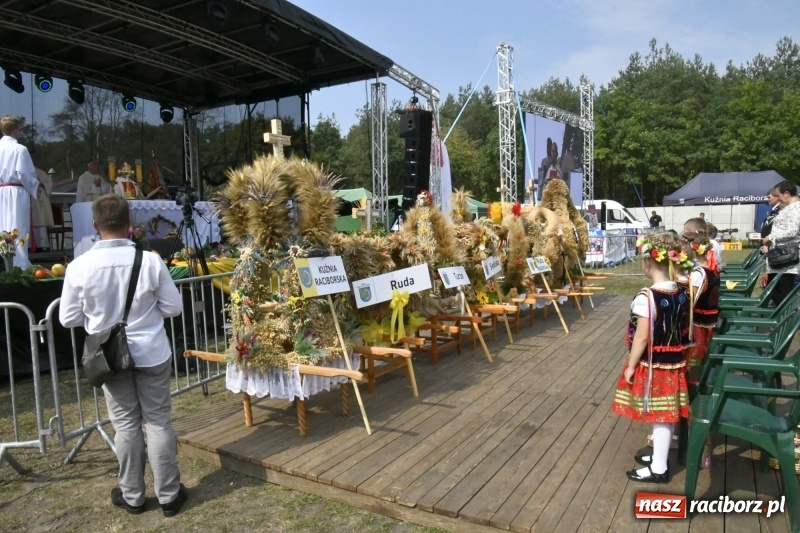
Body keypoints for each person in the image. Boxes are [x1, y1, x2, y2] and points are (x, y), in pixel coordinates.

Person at [59, 195, 187, 517]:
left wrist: (97, 317)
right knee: (157, 421)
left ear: (95, 225)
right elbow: (173, 307)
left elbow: (67, 318)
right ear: (130, 224)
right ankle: (169, 495)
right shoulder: (150, 261)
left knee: (127, 425)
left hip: (110, 356)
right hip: (152, 351)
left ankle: (132, 496)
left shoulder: (78, 266)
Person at [612, 233, 691, 483]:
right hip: (675, 360)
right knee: (665, 411)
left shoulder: (647, 297)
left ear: (648, 261)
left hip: (655, 363)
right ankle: (660, 454)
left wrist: (631, 366)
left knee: (660, 414)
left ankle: (659, 467)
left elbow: (642, 337)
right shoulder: (681, 292)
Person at [0, 116, 39, 268]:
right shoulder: (19, 149)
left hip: (1, 190)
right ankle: (20, 264)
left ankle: (5, 264)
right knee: (17, 227)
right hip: (16, 191)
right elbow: (24, 174)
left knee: (3, 228)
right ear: (16, 130)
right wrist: (34, 186)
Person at [761, 180, 800, 305]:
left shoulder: (796, 208)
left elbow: (792, 231)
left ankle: (784, 322)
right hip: (780, 259)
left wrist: (771, 237)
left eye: (778, 196)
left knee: (782, 294)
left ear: (787, 194)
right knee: (777, 293)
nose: (777, 199)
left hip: (786, 260)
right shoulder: (789, 208)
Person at [31, 167, 54, 252]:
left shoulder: (40, 172)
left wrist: (42, 184)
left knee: (41, 224)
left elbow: (49, 184)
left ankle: (42, 246)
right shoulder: (24, 170)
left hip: (40, 199)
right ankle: (30, 246)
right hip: (31, 200)